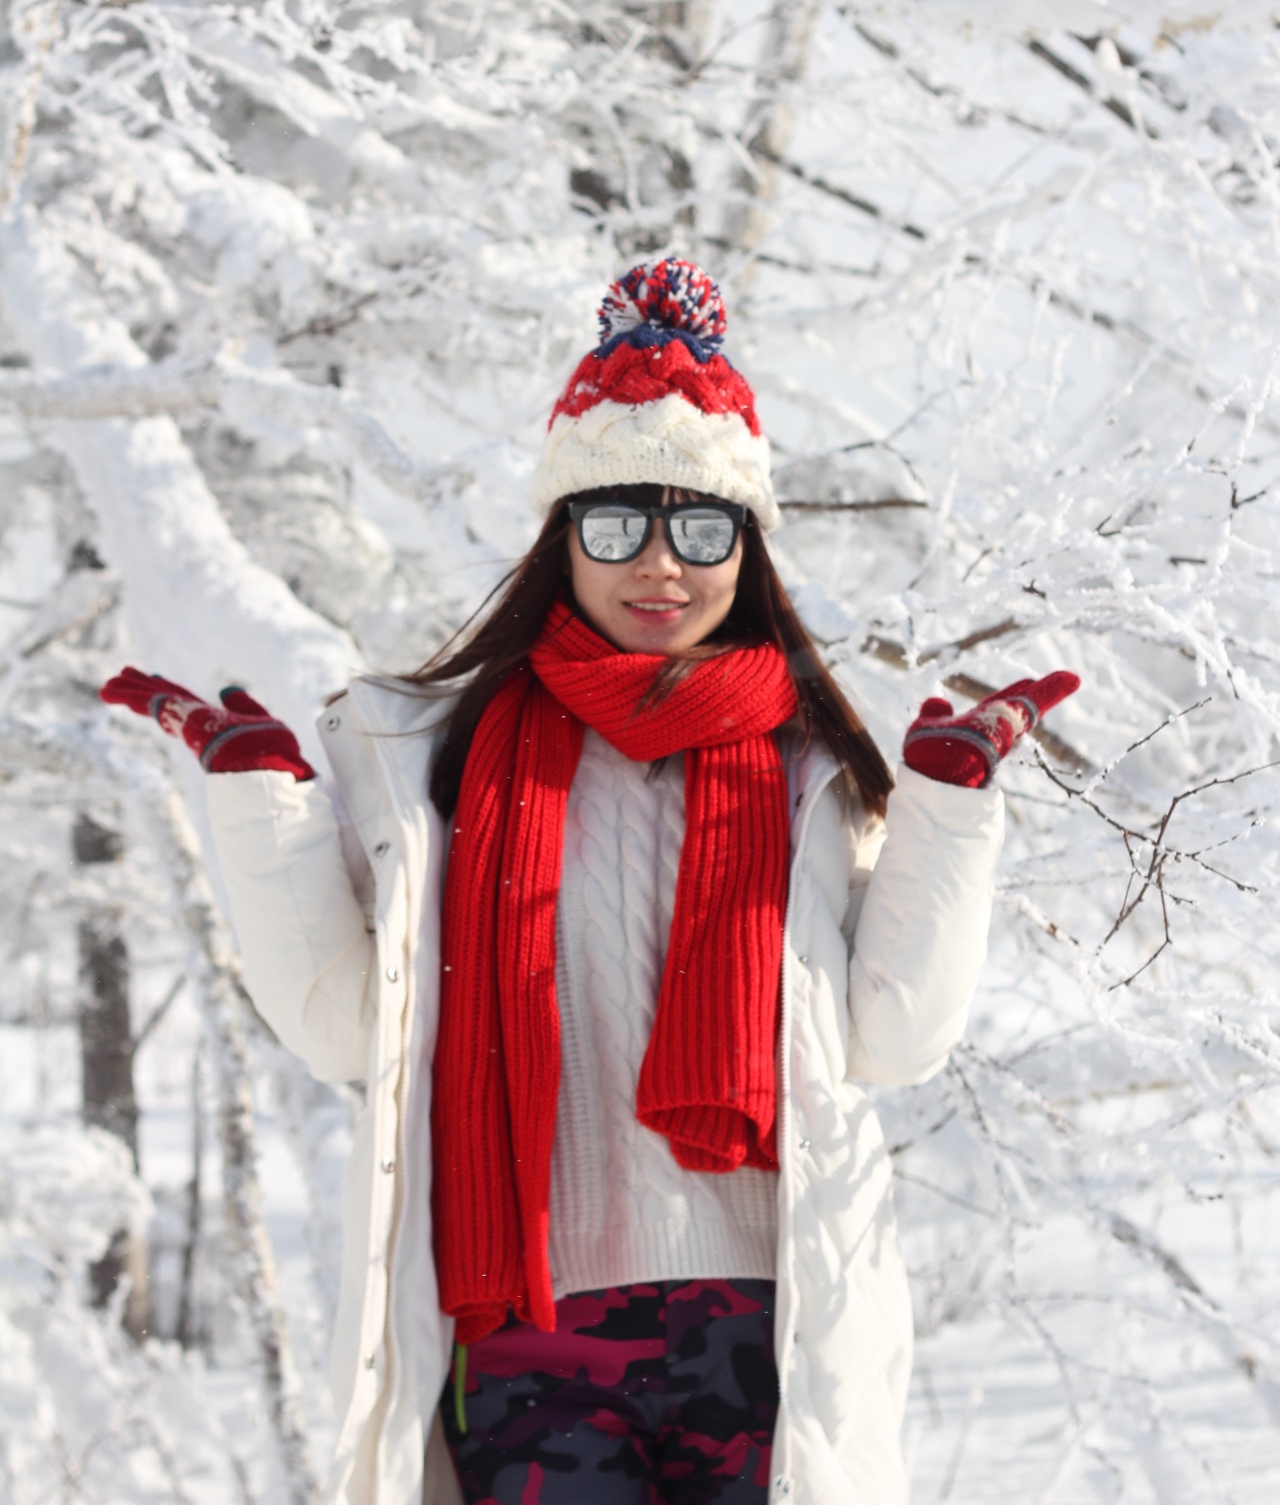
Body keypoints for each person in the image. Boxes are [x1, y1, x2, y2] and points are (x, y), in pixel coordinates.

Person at [101, 259, 1078, 1505]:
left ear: (747, 546)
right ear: (562, 540)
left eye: (698, 527)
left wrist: (946, 806)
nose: (658, 566)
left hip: (764, 1325)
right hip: (530, 1332)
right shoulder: (444, 761)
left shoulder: (804, 772)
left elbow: (894, 1036)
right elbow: (349, 1028)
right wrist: (260, 804)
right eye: (615, 525)